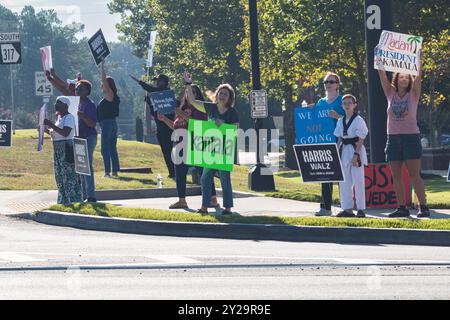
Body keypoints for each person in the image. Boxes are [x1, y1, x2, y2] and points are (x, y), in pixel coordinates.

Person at [377, 49, 430, 218]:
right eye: (401, 76)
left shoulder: (413, 94)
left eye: (407, 77)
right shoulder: (390, 93)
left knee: (414, 174)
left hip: (410, 138)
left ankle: (423, 207)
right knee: (396, 175)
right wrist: (378, 58)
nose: (404, 79)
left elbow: (419, 77)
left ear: (409, 80)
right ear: (397, 78)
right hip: (393, 139)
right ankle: (402, 207)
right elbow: (382, 75)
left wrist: (418, 60)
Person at [183, 71, 239, 215]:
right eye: (220, 93)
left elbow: (235, 129)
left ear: (229, 98)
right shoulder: (211, 107)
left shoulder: (232, 112)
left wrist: (223, 124)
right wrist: (188, 83)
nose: (222, 96)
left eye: (225, 94)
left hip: (223, 148)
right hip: (209, 148)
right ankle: (204, 207)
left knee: (225, 179)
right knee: (205, 178)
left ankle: (228, 208)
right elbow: (193, 102)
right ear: (217, 94)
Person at [157, 84, 219, 209]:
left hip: (196, 143)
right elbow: (176, 126)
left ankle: (213, 198)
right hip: (180, 143)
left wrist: (179, 112)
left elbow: (196, 124)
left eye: (194, 93)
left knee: (203, 172)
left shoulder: (200, 108)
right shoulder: (181, 107)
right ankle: (181, 200)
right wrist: (164, 119)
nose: (190, 95)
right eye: (188, 92)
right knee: (179, 172)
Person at [130, 73, 176, 178]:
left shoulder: (166, 94)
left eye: (159, 81)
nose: (157, 83)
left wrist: (140, 82)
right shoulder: (155, 95)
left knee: (170, 150)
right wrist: (149, 102)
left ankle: (175, 171)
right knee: (165, 151)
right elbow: (153, 112)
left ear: (165, 82)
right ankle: (171, 172)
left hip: (168, 127)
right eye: (157, 81)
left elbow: (149, 88)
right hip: (159, 127)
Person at [313, 72, 345, 216]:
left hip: (339, 142)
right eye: (326, 82)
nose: (328, 85)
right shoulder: (320, 102)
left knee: (340, 176)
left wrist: (337, 116)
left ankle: (346, 207)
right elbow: (315, 122)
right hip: (324, 142)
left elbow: (350, 119)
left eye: (331, 82)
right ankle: (325, 208)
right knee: (325, 176)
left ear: (338, 84)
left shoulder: (342, 101)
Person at [334, 94, 368, 218]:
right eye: (344, 103)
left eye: (349, 103)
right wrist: (336, 153)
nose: (347, 105)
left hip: (355, 149)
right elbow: (338, 139)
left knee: (358, 180)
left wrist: (356, 155)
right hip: (344, 151)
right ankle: (347, 209)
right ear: (342, 106)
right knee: (344, 182)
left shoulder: (359, 120)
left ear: (354, 105)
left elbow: (361, 139)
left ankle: (360, 209)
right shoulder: (340, 121)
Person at [44, 97, 82, 204]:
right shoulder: (59, 118)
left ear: (66, 105)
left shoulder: (69, 117)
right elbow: (56, 134)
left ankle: (73, 198)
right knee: (59, 175)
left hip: (66, 149)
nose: (56, 105)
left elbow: (65, 133)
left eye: (59, 103)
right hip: (58, 150)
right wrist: (45, 130)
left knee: (69, 175)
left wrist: (50, 124)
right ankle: (63, 199)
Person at [97, 62, 120, 177]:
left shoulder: (110, 94)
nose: (102, 86)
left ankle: (107, 172)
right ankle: (115, 171)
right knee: (111, 148)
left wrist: (102, 67)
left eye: (104, 84)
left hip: (107, 124)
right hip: (111, 124)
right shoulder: (112, 96)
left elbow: (104, 81)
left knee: (105, 149)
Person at [76, 80, 98, 202]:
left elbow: (92, 123)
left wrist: (81, 115)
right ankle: (83, 195)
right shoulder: (76, 103)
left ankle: (91, 195)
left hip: (89, 137)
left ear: (87, 91)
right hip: (79, 138)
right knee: (81, 167)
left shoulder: (90, 104)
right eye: (77, 88)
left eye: (81, 88)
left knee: (87, 166)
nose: (78, 90)